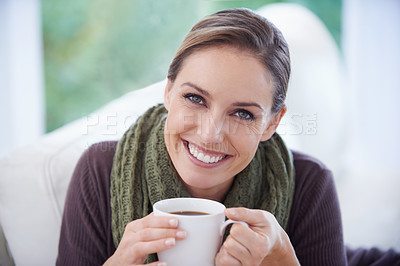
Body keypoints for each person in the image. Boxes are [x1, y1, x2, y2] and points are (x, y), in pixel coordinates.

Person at [56, 8, 348, 265]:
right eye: (195, 98)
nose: (210, 134)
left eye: (243, 114)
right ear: (168, 90)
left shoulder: (311, 183)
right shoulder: (99, 169)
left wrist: (284, 262)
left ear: (272, 123)